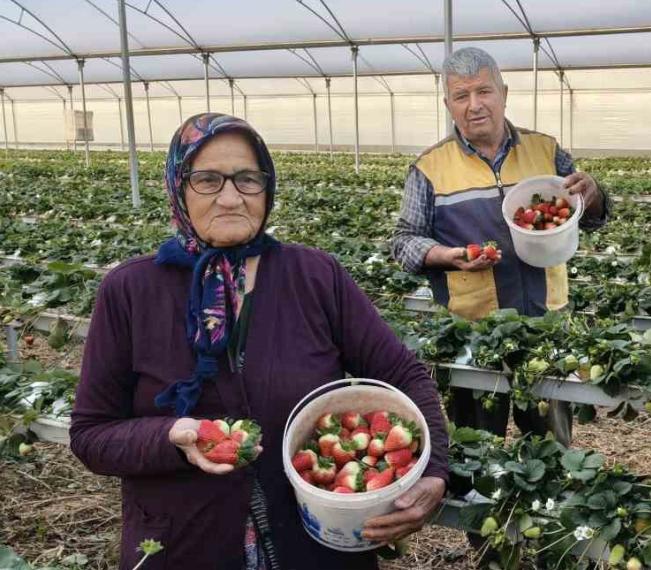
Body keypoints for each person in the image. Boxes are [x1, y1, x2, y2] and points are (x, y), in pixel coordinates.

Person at [70, 113, 450, 570]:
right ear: (178, 186)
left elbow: (400, 372)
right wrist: (170, 436)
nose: (230, 197)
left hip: (317, 541)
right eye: (208, 179)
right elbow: (92, 434)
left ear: (266, 189)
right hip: (185, 543)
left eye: (248, 179)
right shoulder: (131, 290)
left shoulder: (315, 275)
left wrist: (433, 470)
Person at [390, 47, 610, 444]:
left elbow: (588, 214)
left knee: (550, 440)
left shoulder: (546, 151)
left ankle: (549, 499)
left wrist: (594, 195)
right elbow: (404, 242)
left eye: (484, 91)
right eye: (461, 96)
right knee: (475, 441)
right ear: (448, 104)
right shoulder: (428, 168)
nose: (474, 105)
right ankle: (478, 496)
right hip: (472, 331)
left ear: (503, 93)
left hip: (546, 323)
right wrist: (447, 257)